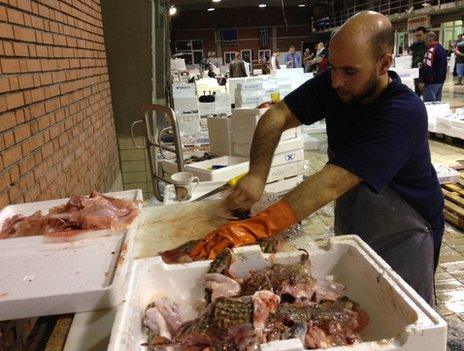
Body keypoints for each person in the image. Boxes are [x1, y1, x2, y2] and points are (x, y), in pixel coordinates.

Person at [189, 11, 444, 304]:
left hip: (405, 233)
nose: (336, 81)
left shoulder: (401, 115)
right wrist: (257, 175)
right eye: (332, 68)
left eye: (349, 71)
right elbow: (277, 114)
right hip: (359, 220)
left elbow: (330, 184)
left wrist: (254, 228)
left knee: (402, 315)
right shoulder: (339, 84)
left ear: (383, 64)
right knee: (353, 301)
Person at [419, 32, 447, 102]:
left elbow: (428, 67)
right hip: (440, 80)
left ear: (431, 40)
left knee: (430, 105)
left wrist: (423, 81)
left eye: (426, 41)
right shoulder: (442, 49)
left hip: (431, 82)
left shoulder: (431, 51)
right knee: (437, 104)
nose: (426, 44)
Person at [408, 26, 428, 96]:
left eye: (420, 35)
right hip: (415, 71)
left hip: (425, 72)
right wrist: (410, 51)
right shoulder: (415, 44)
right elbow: (409, 49)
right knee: (417, 92)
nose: (418, 38)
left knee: (425, 92)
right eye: (416, 36)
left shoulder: (428, 45)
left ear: (425, 34)